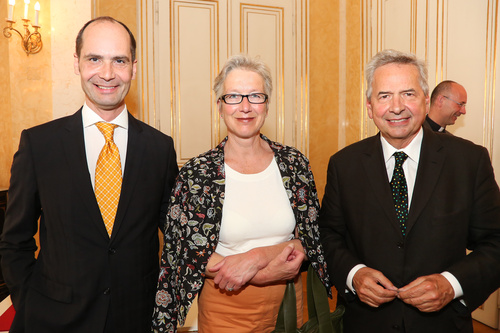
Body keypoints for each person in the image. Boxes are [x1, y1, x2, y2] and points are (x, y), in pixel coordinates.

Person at [0, 16, 179, 333]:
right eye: (94, 59)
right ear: (77, 63)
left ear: (133, 68)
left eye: (119, 60)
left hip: (136, 320)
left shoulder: (160, 149)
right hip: (54, 321)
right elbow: (15, 241)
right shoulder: (39, 144)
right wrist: (29, 303)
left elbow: (179, 238)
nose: (107, 74)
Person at [319, 49, 500, 332]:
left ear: (426, 101)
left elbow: (495, 242)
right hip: (366, 323)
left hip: (444, 325)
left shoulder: (469, 161)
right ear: (369, 107)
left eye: (408, 94)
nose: (397, 107)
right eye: (384, 96)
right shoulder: (344, 165)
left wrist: (452, 284)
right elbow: (329, 235)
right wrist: (354, 274)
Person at [152, 54, 330, 333]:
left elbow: (313, 238)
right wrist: (261, 276)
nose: (245, 107)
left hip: (290, 310)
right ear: (220, 107)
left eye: (255, 96)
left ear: (267, 105)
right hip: (226, 311)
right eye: (233, 96)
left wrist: (257, 257)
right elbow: (183, 251)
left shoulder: (294, 164)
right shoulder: (197, 174)